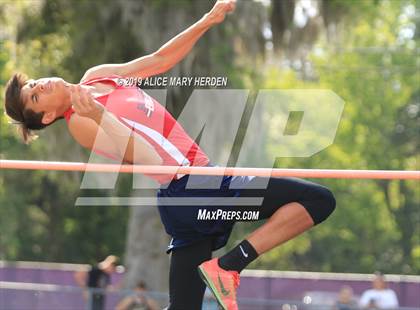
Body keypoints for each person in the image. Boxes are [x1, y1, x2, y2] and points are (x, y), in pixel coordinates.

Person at [4, 1, 336, 309]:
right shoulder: (80, 123)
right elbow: (144, 157)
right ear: (47, 117)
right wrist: (99, 116)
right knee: (318, 201)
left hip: (188, 194)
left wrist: (208, 20)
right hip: (190, 186)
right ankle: (229, 265)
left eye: (34, 83)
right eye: (34, 98)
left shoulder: (97, 76)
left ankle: (225, 268)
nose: (41, 86)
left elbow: (160, 60)